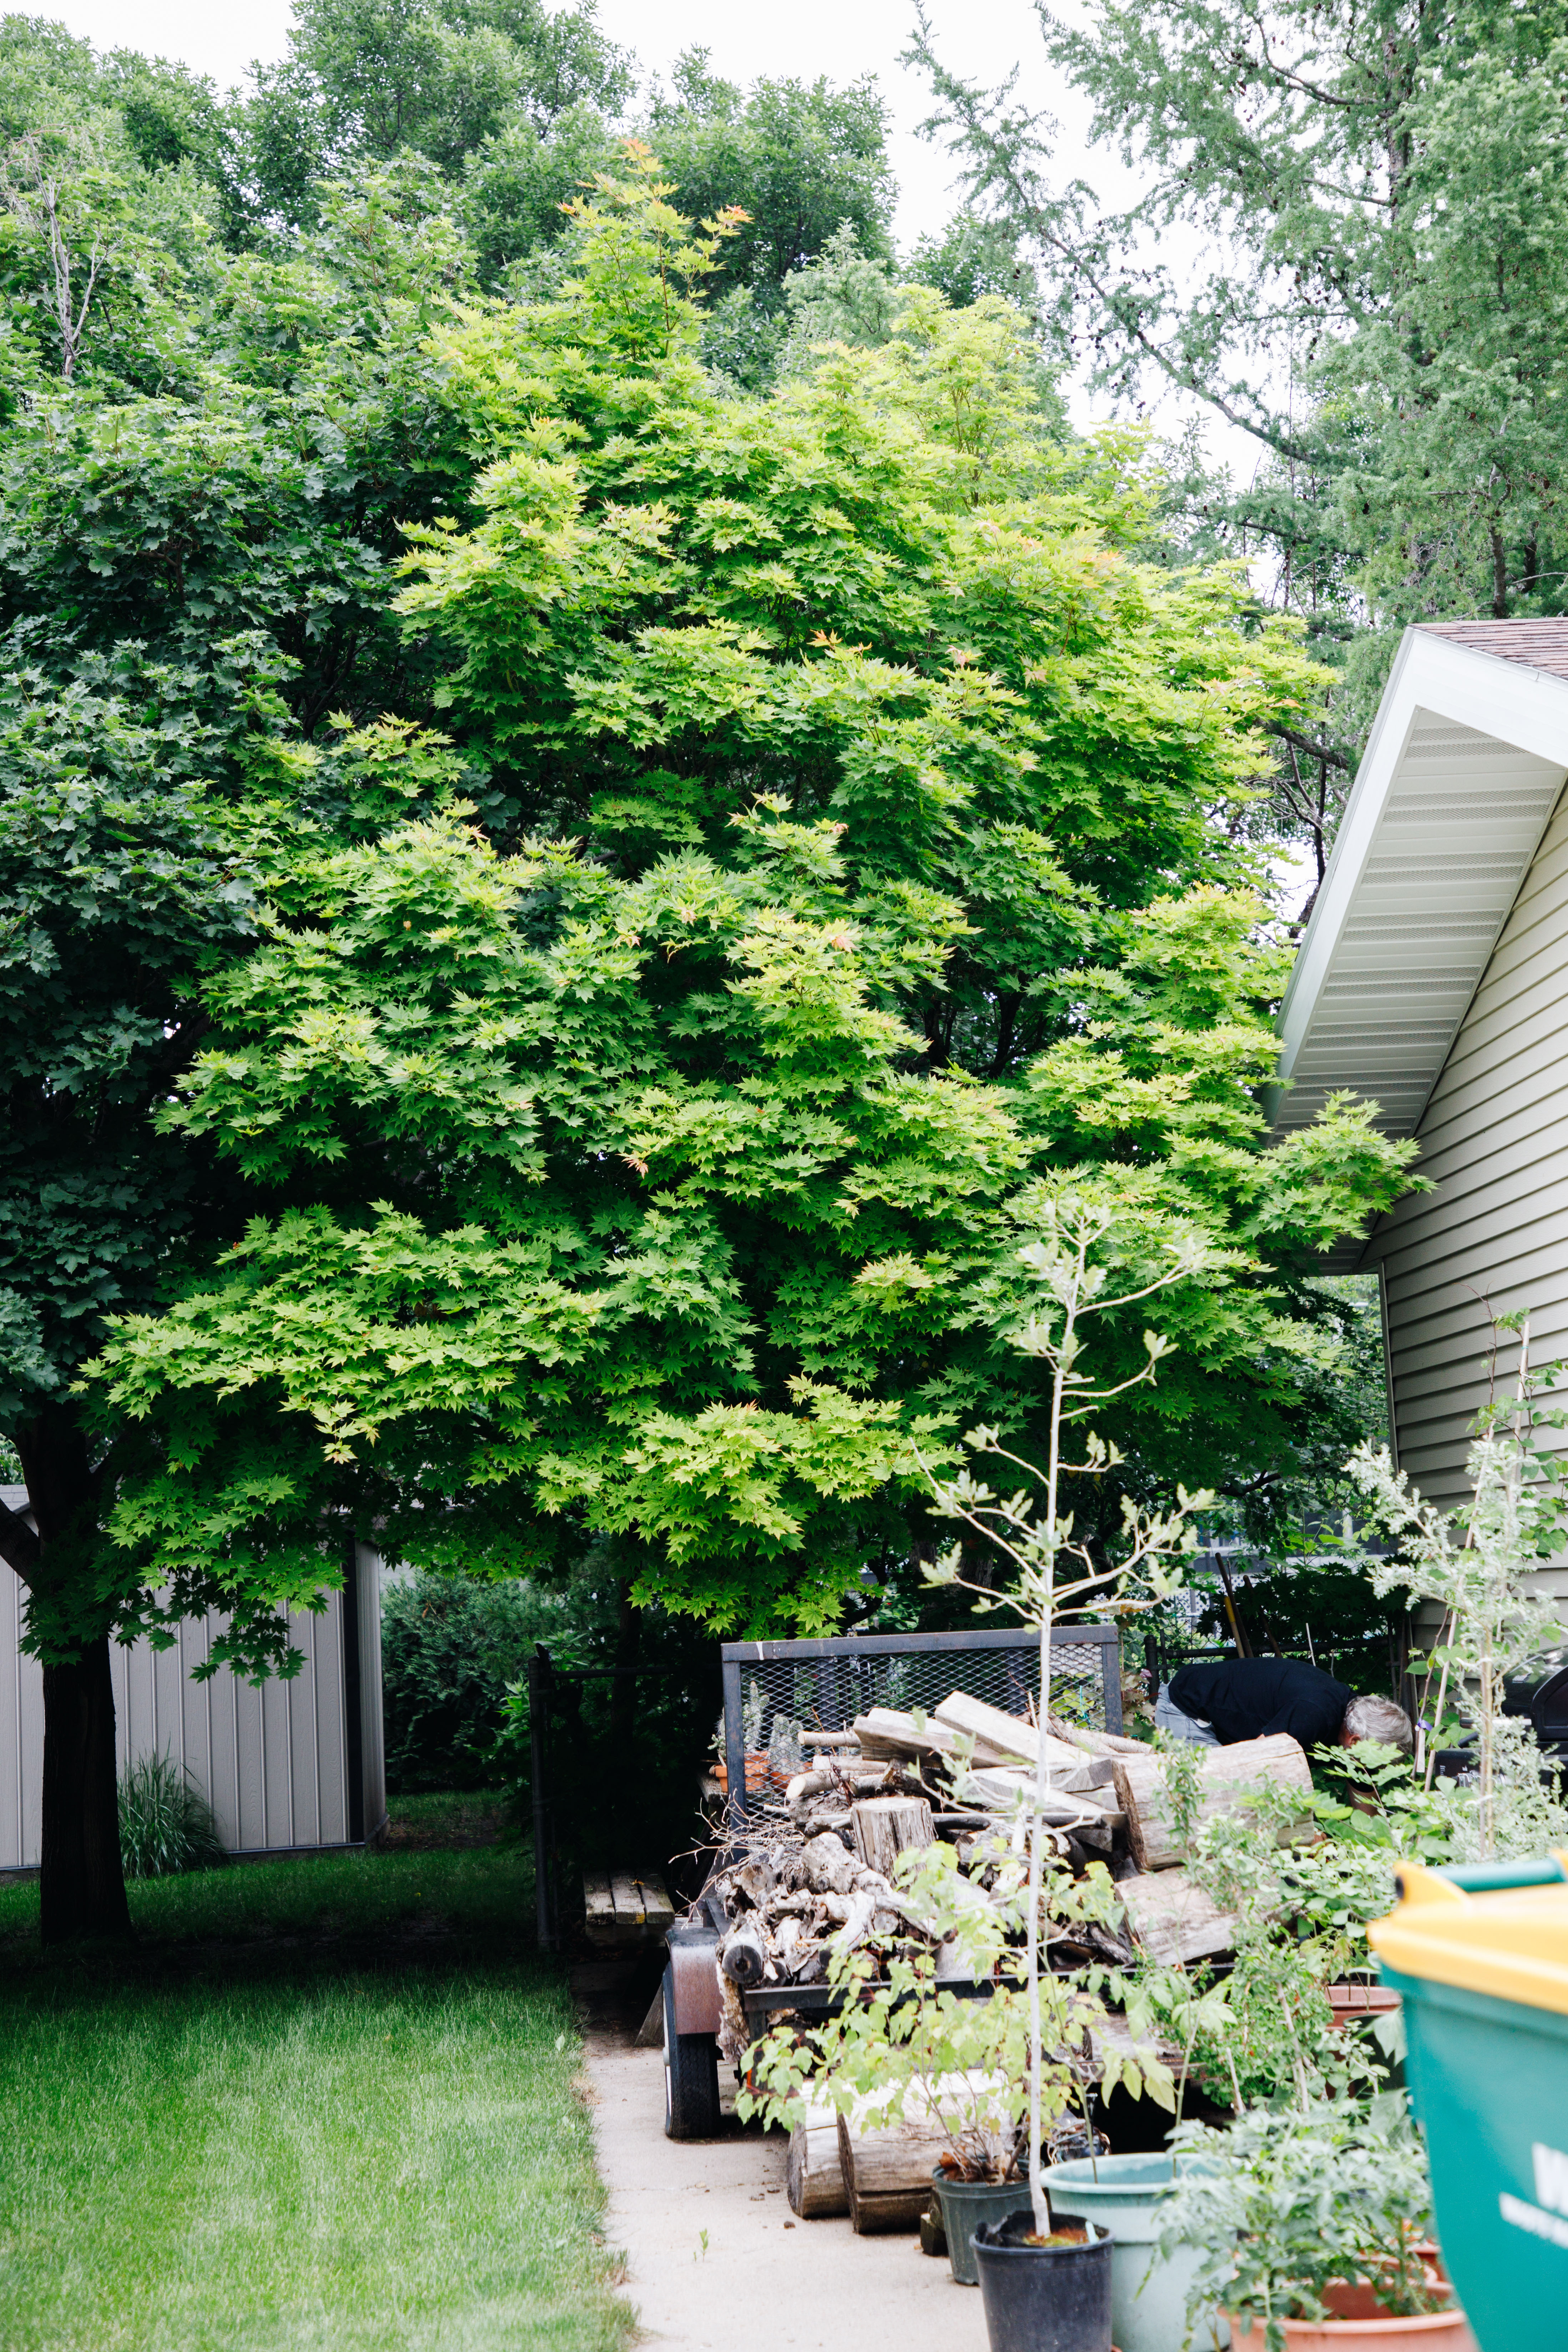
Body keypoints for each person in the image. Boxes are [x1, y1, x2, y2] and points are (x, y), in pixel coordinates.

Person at [1156, 1655, 1413, 1752]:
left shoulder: (1348, 1715)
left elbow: (1363, 1789)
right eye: (1380, 1761)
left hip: (1223, 1716)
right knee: (1214, 1793)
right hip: (1187, 1709)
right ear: (1354, 1741)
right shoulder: (1313, 1714)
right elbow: (1256, 1762)